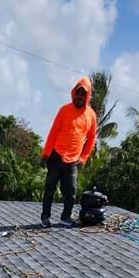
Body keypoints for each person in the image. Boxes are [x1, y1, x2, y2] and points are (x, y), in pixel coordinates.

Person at [40, 76, 97, 228]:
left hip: (73, 161)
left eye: (83, 94)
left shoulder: (91, 115)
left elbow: (91, 139)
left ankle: (66, 217)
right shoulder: (64, 110)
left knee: (71, 190)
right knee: (50, 188)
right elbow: (53, 132)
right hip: (56, 155)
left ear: (87, 96)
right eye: (78, 93)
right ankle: (45, 217)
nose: (79, 96)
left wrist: (84, 157)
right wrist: (46, 153)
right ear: (74, 93)